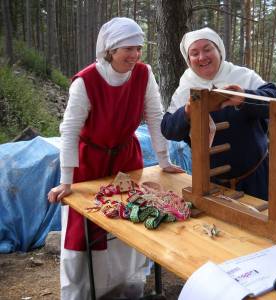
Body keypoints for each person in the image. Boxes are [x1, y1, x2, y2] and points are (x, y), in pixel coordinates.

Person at [48, 17, 182, 299]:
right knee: (85, 228)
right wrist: (67, 182)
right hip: (90, 162)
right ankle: (84, 293)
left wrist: (164, 159)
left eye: (138, 48)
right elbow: (69, 131)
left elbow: (155, 116)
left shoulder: (144, 74)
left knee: (129, 224)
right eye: (128, 49)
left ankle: (126, 288)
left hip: (125, 159)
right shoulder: (85, 81)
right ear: (110, 50)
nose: (134, 55)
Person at [161, 27, 276, 201]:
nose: (202, 57)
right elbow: (168, 129)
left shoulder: (242, 76)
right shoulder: (185, 89)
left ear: (219, 50)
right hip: (209, 183)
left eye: (207, 49)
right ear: (188, 60)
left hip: (255, 178)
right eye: (194, 53)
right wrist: (187, 112)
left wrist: (243, 97)